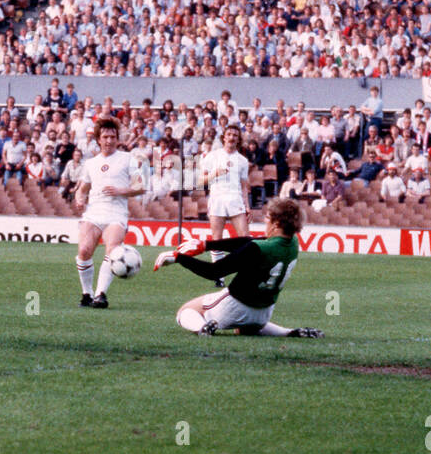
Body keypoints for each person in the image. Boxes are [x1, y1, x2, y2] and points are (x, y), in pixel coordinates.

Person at [153, 197, 322, 339]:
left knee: (185, 311)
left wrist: (179, 258)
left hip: (233, 307)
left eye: (268, 217)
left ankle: (203, 328)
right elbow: (249, 242)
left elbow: (214, 272)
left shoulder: (259, 248)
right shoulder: (293, 242)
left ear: (276, 224)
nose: (265, 220)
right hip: (263, 312)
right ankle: (289, 332)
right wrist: (206, 245)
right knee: (246, 329)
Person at [74, 117, 145, 309]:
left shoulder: (127, 159)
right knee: (84, 251)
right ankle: (86, 294)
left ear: (117, 138)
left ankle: (101, 294)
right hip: (94, 212)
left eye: (112, 136)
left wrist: (121, 190)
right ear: (98, 139)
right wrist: (80, 198)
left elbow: (141, 187)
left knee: (112, 249)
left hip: (116, 213)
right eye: (105, 136)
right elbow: (83, 188)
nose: (109, 140)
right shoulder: (91, 163)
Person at [199, 124, 251, 287]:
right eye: (229, 134)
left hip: (235, 199)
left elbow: (244, 186)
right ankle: (219, 275)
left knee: (245, 240)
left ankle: (246, 273)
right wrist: (215, 173)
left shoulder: (242, 161)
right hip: (217, 198)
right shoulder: (212, 156)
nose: (232, 137)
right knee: (217, 239)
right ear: (224, 137)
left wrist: (247, 205)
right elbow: (201, 181)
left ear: (238, 139)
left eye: (235, 135)